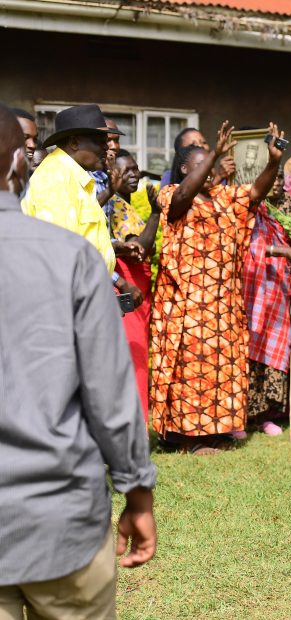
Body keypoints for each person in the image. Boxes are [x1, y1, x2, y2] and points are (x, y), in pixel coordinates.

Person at [0, 103, 157, 619]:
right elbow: (108, 393)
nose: (109, 147)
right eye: (100, 138)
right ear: (17, 169)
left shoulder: (81, 186)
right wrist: (136, 491)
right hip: (57, 518)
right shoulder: (58, 213)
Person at [150, 121, 284, 454]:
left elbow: (256, 192)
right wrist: (214, 156)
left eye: (211, 167)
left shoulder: (226, 197)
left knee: (222, 369)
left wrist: (273, 162)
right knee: (189, 371)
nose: (209, 174)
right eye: (201, 167)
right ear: (184, 169)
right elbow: (183, 196)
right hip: (186, 305)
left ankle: (215, 432)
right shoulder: (171, 195)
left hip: (223, 305)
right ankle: (187, 438)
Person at [21, 104, 142, 308]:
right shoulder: (55, 178)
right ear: (75, 142)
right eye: (99, 141)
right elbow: (58, 255)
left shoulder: (75, 178)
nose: (107, 147)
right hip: (69, 302)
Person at [243, 166, 291, 436]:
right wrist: (283, 251)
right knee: (248, 350)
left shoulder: (287, 210)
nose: (278, 183)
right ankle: (241, 416)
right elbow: (244, 244)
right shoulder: (248, 206)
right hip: (253, 286)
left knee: (276, 347)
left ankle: (267, 415)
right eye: (273, 177)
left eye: (281, 178)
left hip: (279, 287)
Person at [109, 149, 162, 422]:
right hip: (129, 287)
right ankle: (135, 430)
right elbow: (139, 248)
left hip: (139, 285)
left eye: (136, 168)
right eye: (125, 170)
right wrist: (155, 214)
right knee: (134, 358)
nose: (134, 174)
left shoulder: (127, 204)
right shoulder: (115, 206)